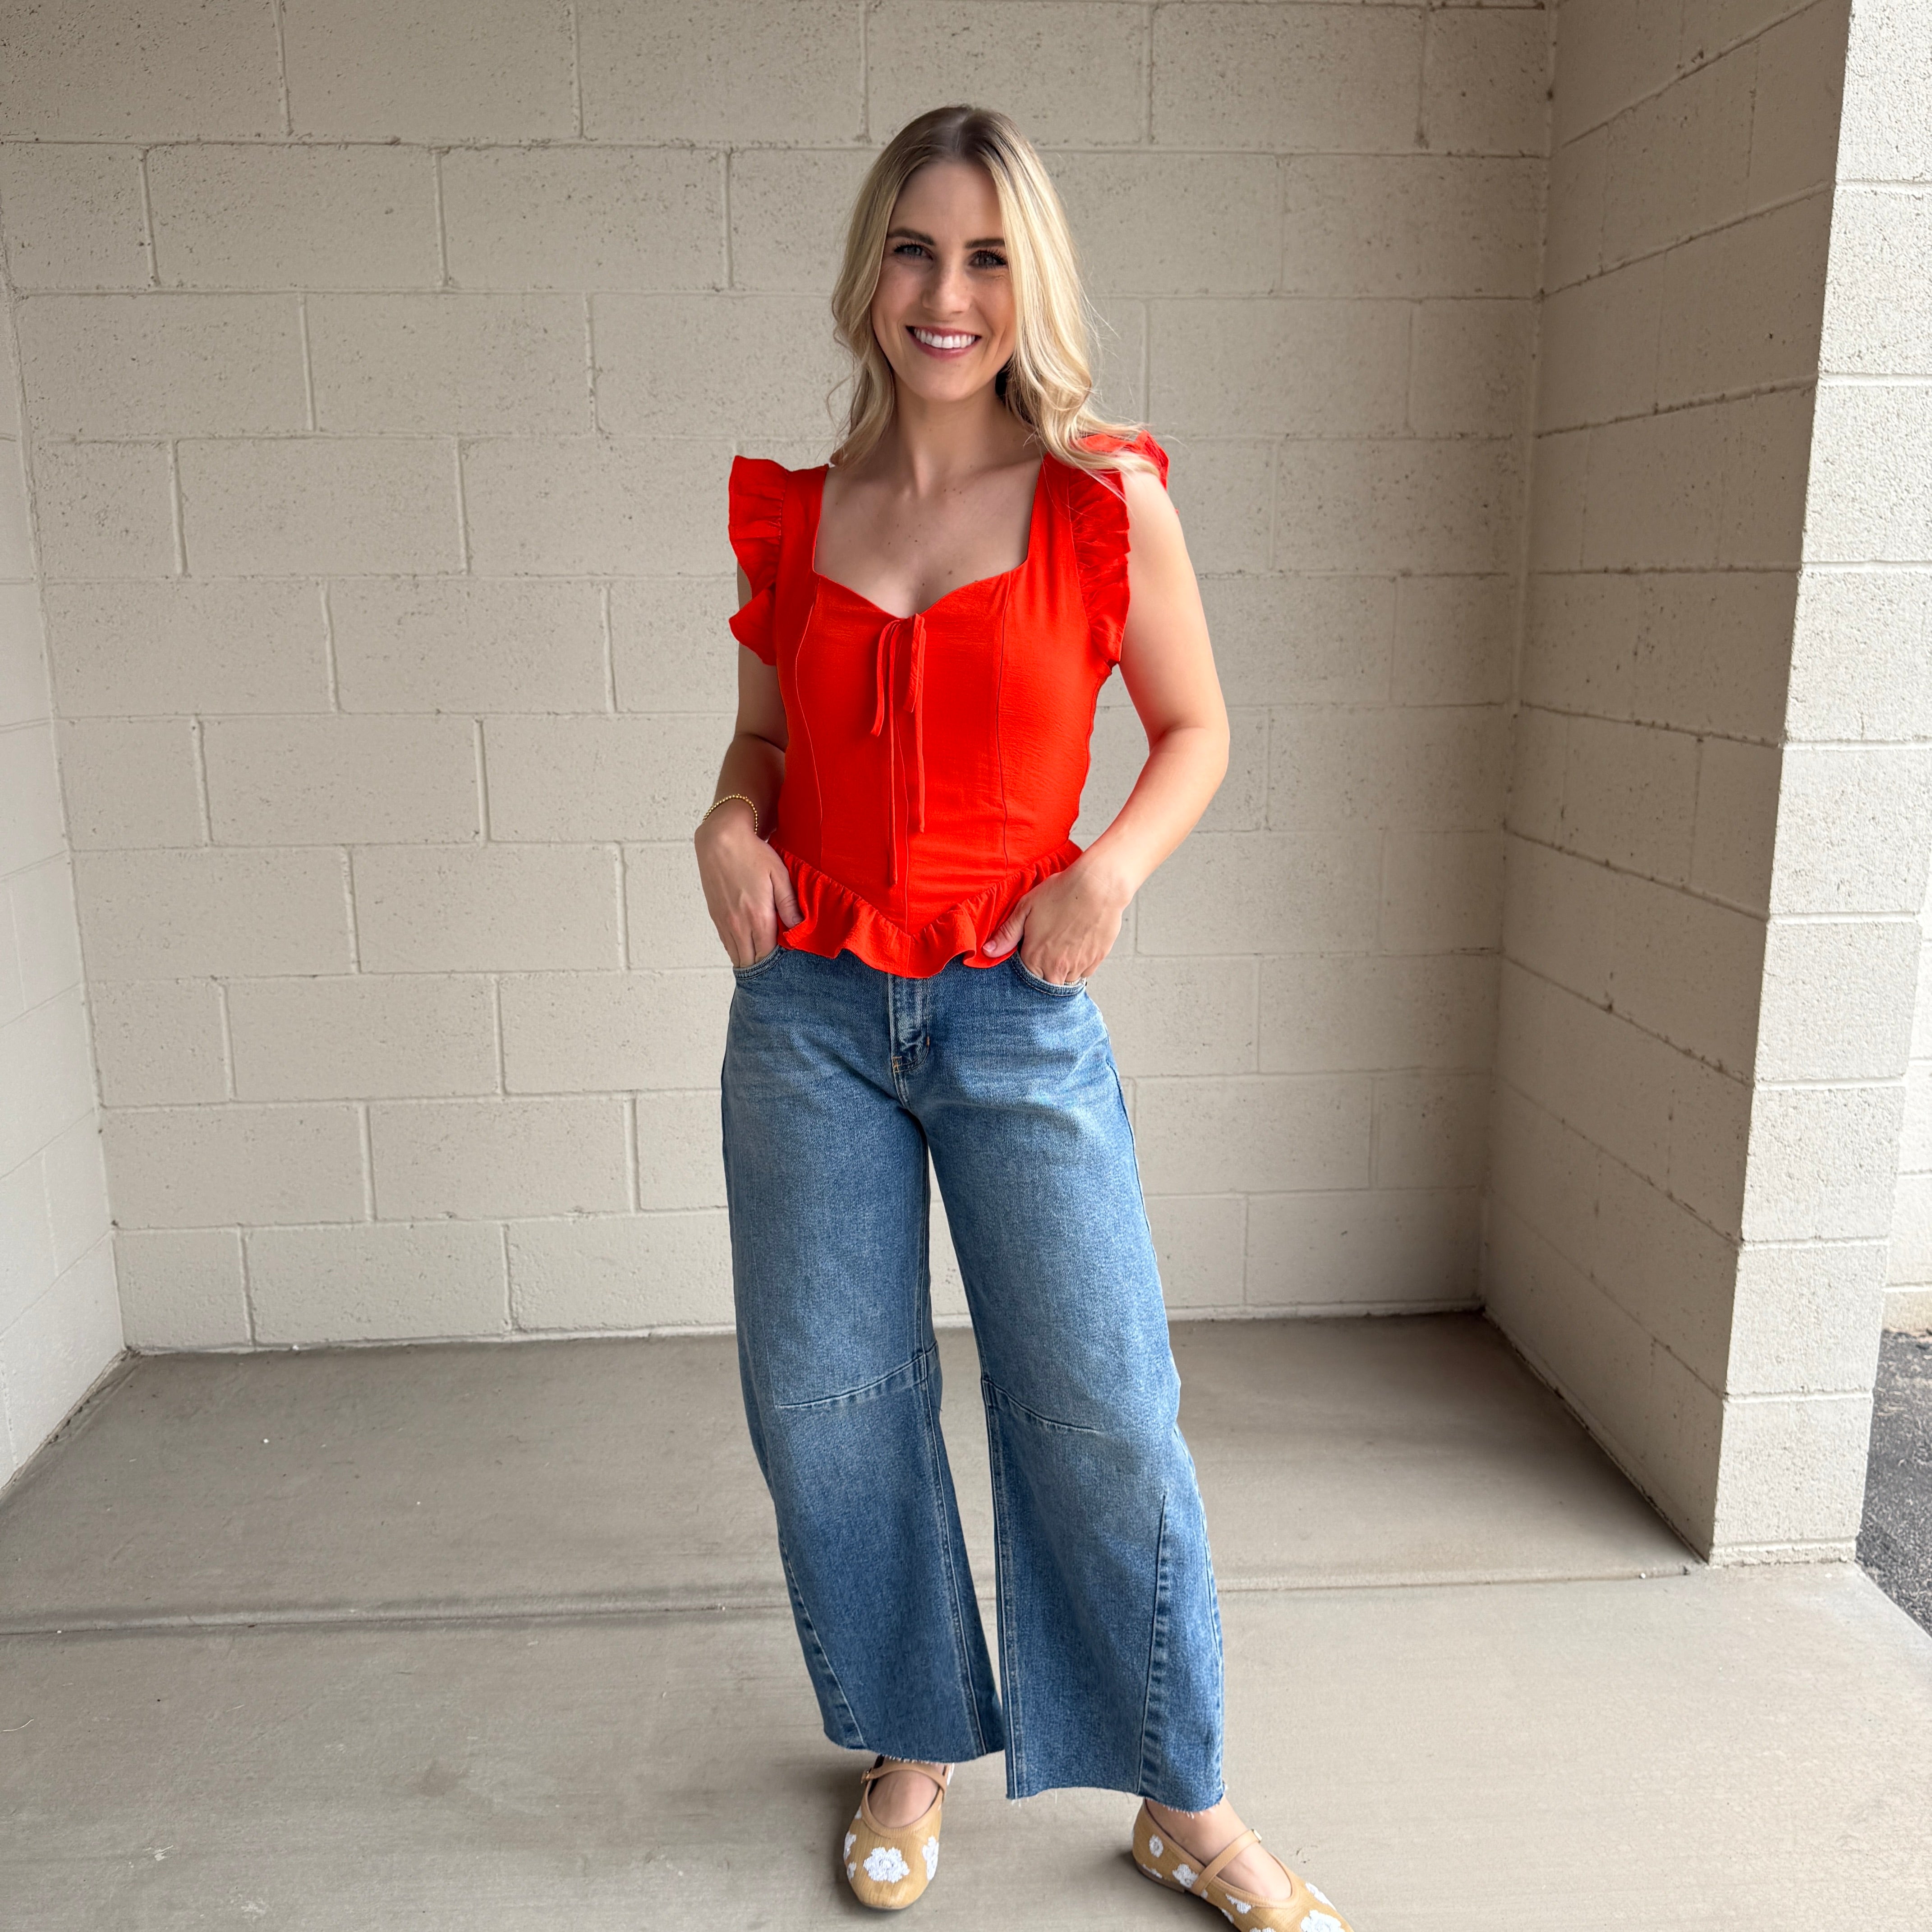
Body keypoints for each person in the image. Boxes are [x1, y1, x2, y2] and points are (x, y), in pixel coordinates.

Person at [693, 104, 1354, 1931]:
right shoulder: (796, 514)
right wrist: (726, 822)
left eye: (988, 256)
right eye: (915, 249)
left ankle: (1180, 1801)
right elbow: (760, 741)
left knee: (1102, 1405)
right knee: (831, 1402)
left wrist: (1108, 872)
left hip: (1013, 1005)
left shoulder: (1100, 499)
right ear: (870, 272)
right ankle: (909, 1743)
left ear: (1029, 281)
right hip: (810, 1012)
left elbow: (1196, 728)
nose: (948, 291)